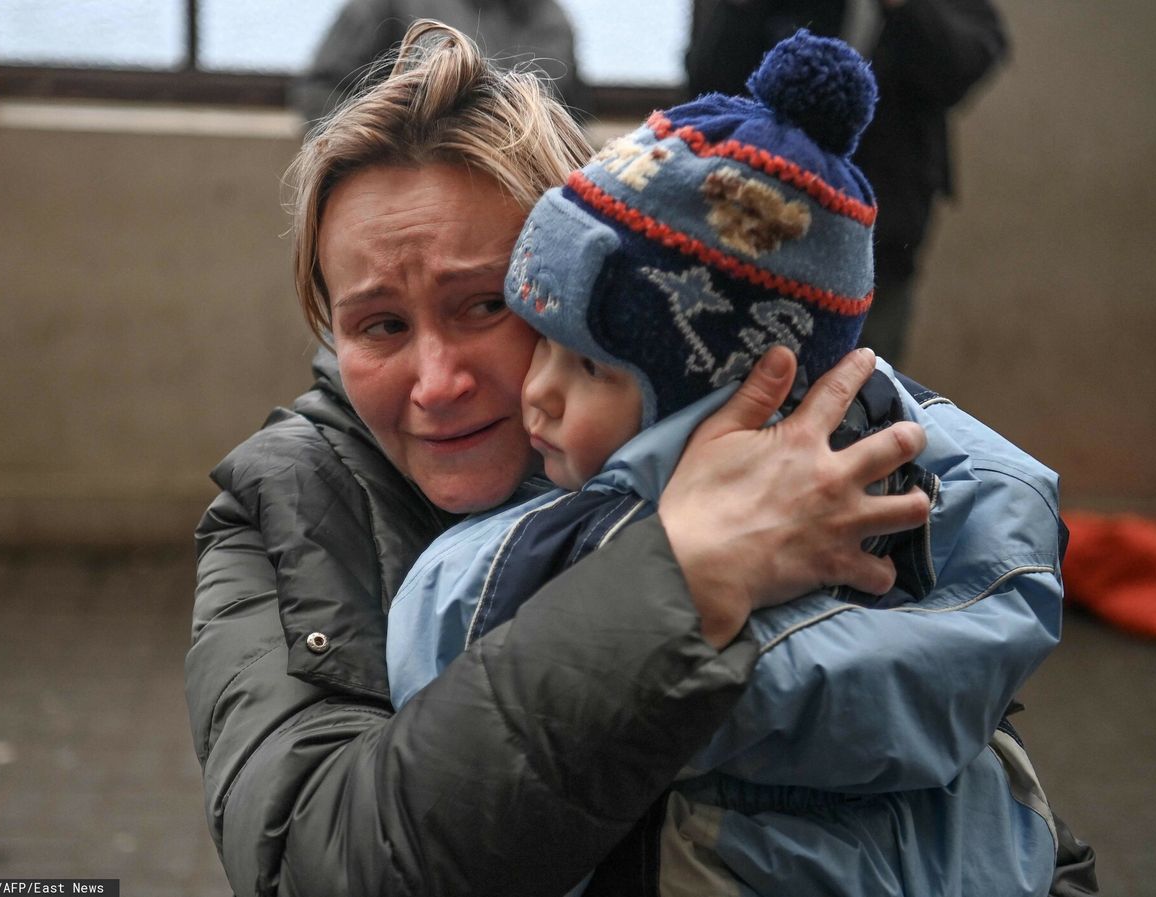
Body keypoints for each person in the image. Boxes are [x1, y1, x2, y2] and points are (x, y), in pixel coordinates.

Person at [184, 19, 1090, 897]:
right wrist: (677, 581)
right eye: (381, 325)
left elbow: (991, 802)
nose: (436, 381)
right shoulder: (284, 511)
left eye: (486, 306)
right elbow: (324, 857)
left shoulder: (818, 450)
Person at [685, 0, 1008, 366]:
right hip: (751, 218)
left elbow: (964, 66)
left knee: (862, 383)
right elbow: (707, 83)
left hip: (884, 227)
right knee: (732, 369)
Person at [291, 0, 590, 122]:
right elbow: (321, 93)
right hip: (411, 192)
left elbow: (576, 117)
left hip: (520, 198)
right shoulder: (392, 3)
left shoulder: (554, 21)